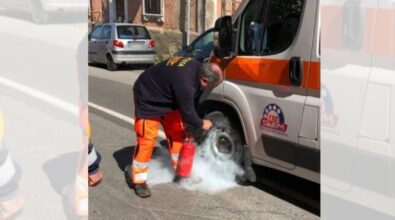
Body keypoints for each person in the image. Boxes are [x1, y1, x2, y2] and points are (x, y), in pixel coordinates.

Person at [131, 56, 223, 198]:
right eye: (211, 87)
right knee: (147, 139)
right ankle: (139, 180)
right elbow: (188, 112)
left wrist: (191, 124)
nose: (210, 90)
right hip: (147, 97)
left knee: (178, 135)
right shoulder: (185, 82)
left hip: (168, 98)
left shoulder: (198, 69)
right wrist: (201, 124)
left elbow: (193, 102)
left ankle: (182, 171)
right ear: (204, 80)